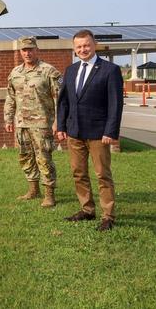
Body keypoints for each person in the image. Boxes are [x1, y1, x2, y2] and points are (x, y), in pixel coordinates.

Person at [57, 29, 123, 231]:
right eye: (79, 46)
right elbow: (64, 102)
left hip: (98, 133)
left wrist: (110, 131)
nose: (83, 49)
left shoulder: (110, 70)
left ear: (94, 45)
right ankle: (87, 209)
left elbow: (115, 104)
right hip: (75, 132)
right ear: (74, 49)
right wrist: (61, 126)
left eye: (86, 45)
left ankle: (108, 216)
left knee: (102, 174)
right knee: (78, 173)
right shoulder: (71, 70)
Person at [4, 36, 62, 207]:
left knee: (44, 158)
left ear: (37, 50)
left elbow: (60, 99)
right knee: (26, 157)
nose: (27, 53)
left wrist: (58, 121)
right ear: (20, 52)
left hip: (42, 124)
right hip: (22, 124)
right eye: (24, 50)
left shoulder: (49, 71)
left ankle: (49, 194)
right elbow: (10, 97)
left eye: (30, 49)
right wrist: (8, 118)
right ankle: (33, 189)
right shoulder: (15, 73)